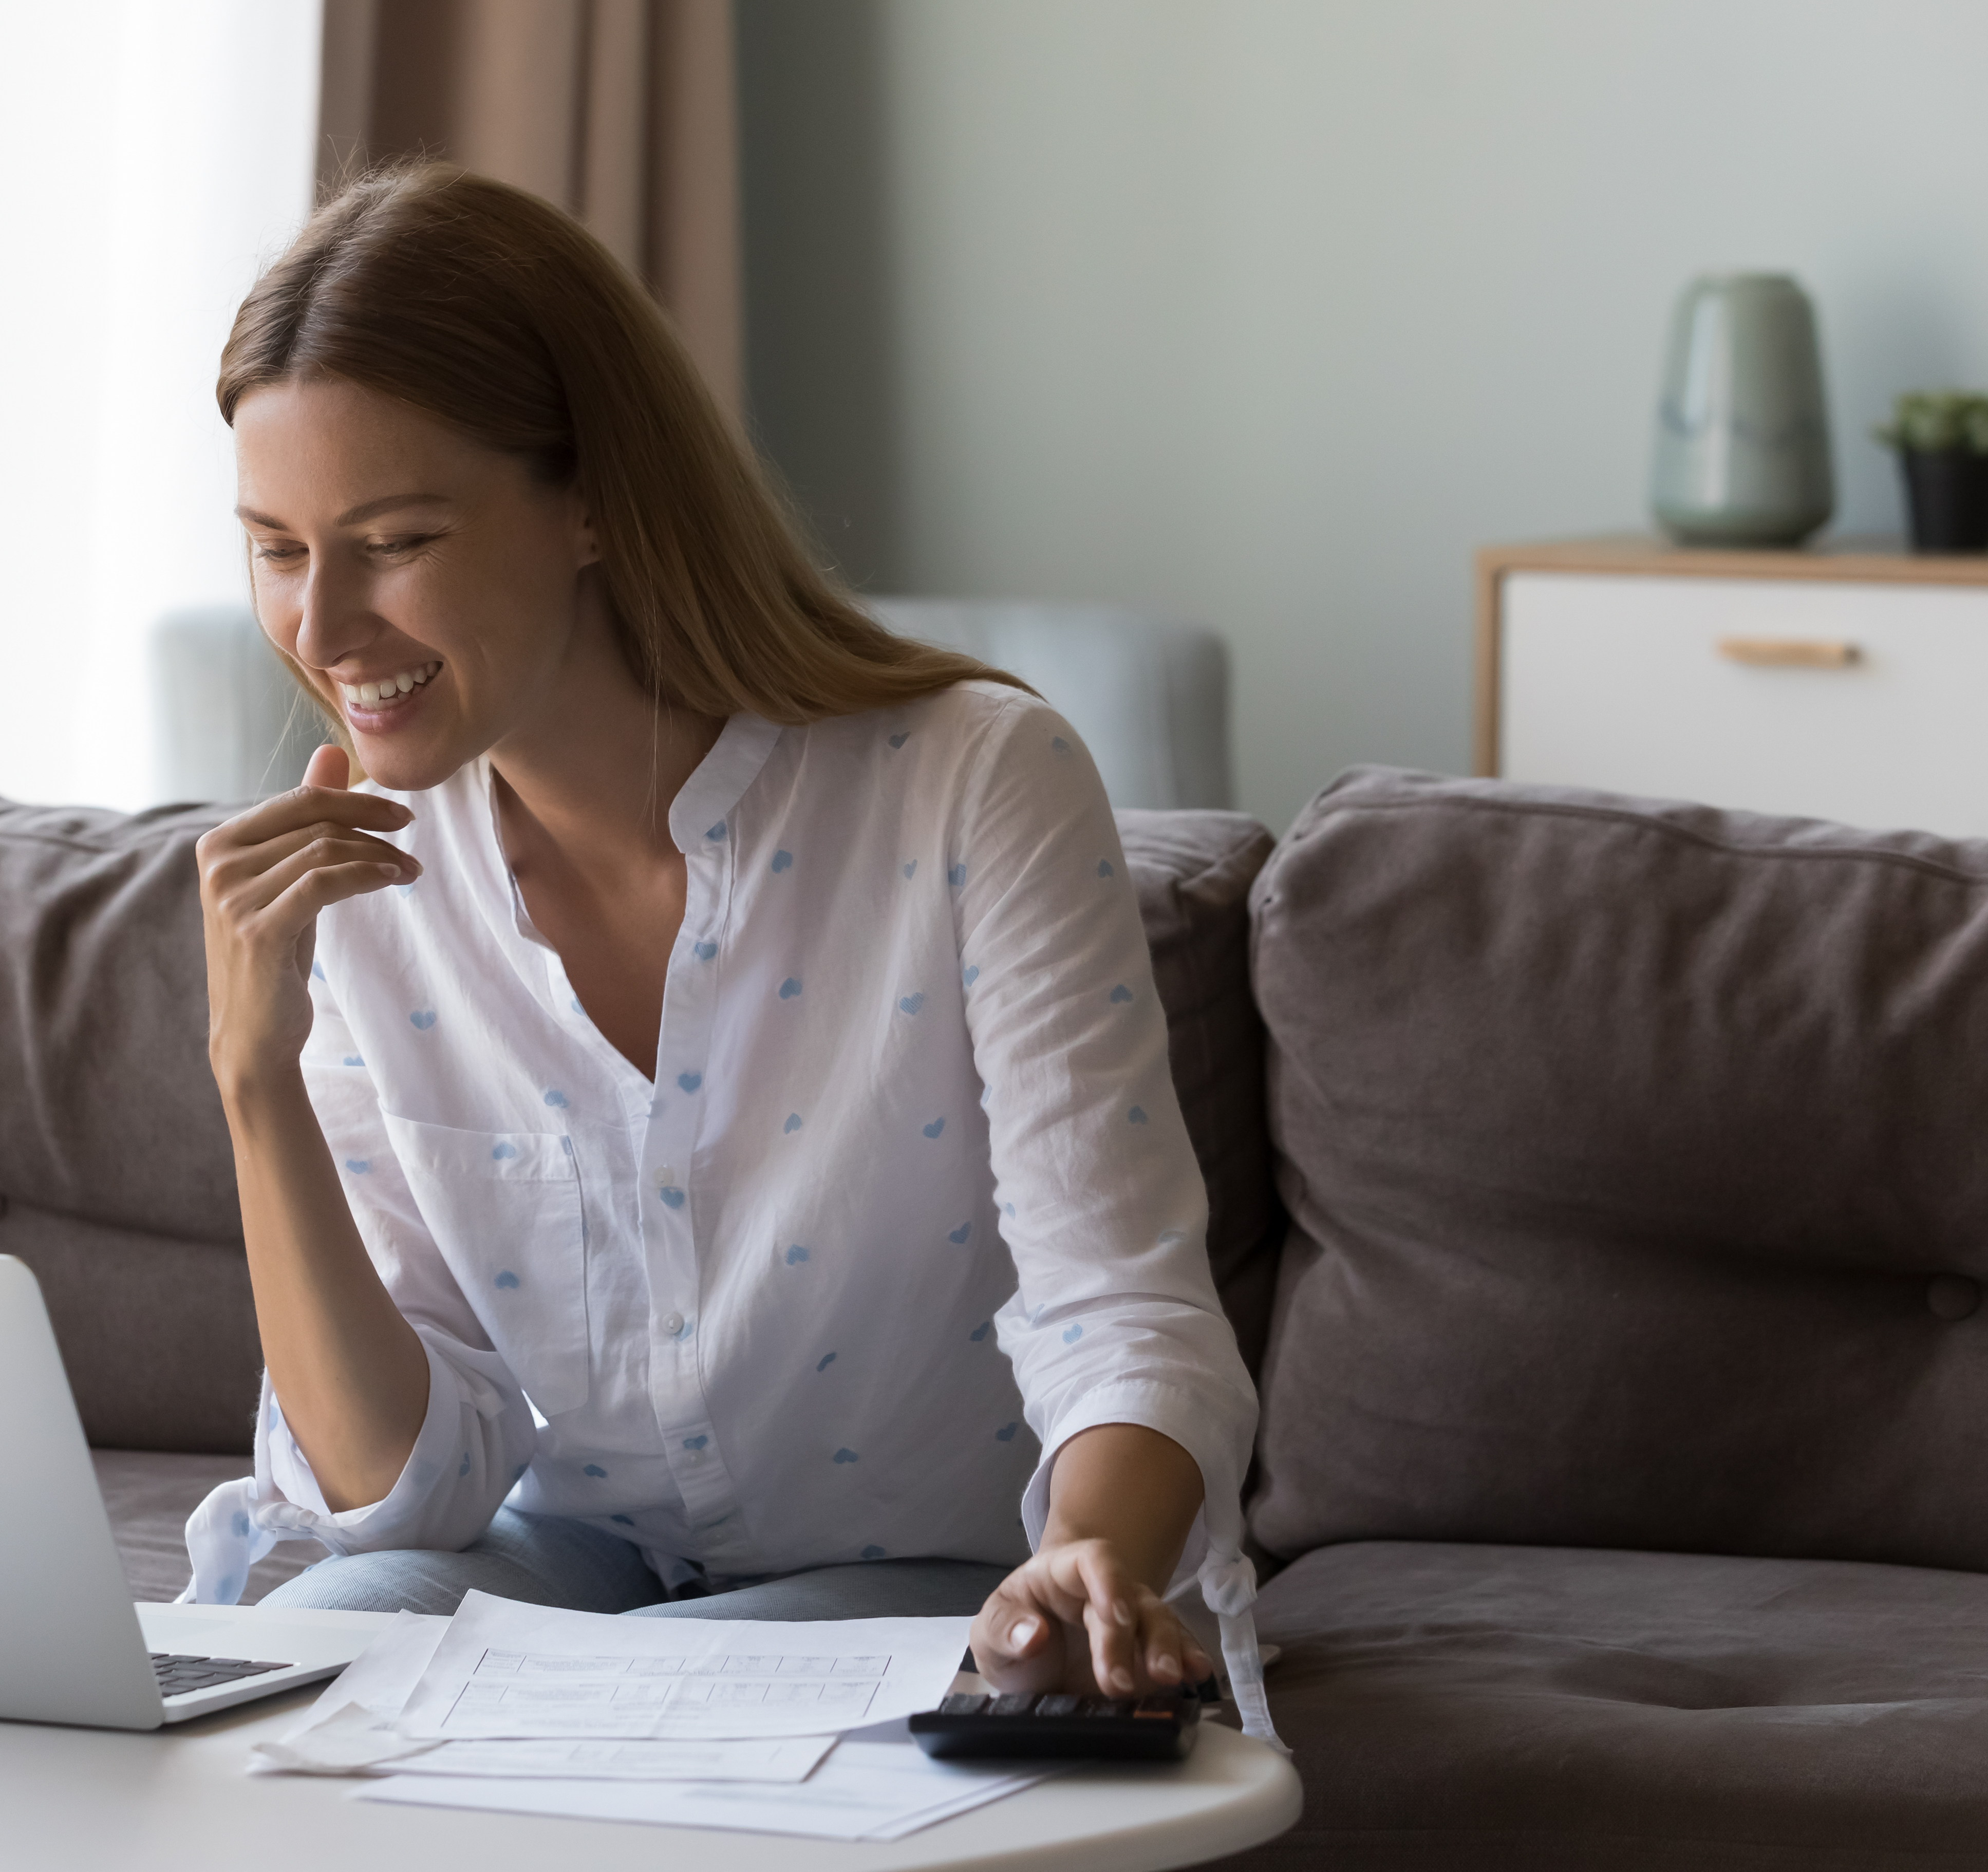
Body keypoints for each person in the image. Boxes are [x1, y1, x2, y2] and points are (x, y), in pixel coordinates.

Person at [178, 162, 1269, 1731]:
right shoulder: (361, 882)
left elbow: (1122, 1305)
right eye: (276, 548)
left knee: (670, 1712)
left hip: (917, 1573)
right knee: (311, 1665)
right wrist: (253, 1079)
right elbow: (402, 1492)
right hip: (569, 1560)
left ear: (594, 500)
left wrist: (1089, 1549)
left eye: (394, 539)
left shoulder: (974, 781)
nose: (321, 625)